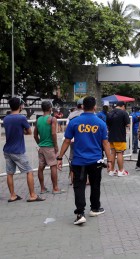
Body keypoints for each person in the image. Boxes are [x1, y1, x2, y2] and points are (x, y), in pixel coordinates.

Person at [57, 96, 112, 225]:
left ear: (82, 107)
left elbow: (66, 141)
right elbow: (105, 143)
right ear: (95, 107)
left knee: (79, 186)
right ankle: (95, 208)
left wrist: (60, 157)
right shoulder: (101, 123)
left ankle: (80, 213)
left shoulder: (75, 122)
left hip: (78, 161)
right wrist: (109, 160)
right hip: (96, 161)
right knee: (95, 184)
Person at [3, 97, 45, 203]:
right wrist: (22, 132)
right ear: (20, 106)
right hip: (18, 150)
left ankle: (12, 195)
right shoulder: (21, 118)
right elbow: (29, 132)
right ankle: (32, 195)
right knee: (29, 171)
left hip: (7, 150)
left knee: (10, 173)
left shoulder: (6, 118)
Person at [34, 101, 64, 194]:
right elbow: (53, 133)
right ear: (50, 108)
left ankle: (42, 188)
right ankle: (55, 188)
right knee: (53, 166)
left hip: (41, 147)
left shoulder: (38, 120)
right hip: (50, 146)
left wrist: (40, 143)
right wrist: (56, 146)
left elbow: (35, 135)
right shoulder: (52, 119)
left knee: (40, 168)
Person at [107, 101, 130, 177]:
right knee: (120, 153)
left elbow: (107, 125)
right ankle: (121, 171)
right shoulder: (124, 113)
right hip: (120, 136)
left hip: (111, 136)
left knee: (113, 153)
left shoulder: (109, 113)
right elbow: (128, 124)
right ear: (123, 106)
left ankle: (112, 170)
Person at [67, 99, 84, 184]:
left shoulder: (71, 115)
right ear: (82, 106)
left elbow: (68, 127)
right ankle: (86, 179)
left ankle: (72, 179)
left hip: (72, 140)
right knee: (85, 157)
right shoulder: (84, 114)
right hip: (83, 140)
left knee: (72, 157)